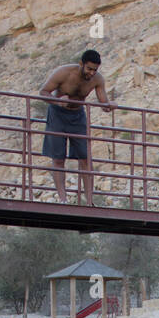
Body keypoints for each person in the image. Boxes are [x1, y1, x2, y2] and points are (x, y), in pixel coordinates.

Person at [37, 50, 116, 205]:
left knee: (85, 157)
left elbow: (103, 103)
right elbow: (43, 92)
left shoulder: (97, 79)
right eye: (89, 69)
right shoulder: (64, 72)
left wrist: (110, 106)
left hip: (78, 115)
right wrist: (58, 101)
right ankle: (63, 199)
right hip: (58, 115)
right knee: (58, 158)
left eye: (95, 70)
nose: (92, 73)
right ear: (81, 64)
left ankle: (89, 201)